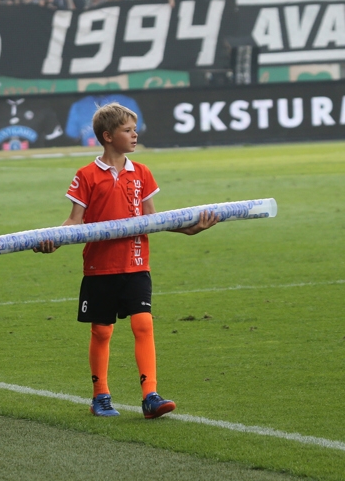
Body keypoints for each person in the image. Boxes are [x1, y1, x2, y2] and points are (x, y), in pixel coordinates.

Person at [35, 103, 218, 418]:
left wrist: (189, 229)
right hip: (100, 267)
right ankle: (101, 396)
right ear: (108, 136)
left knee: (143, 324)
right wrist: (53, 240)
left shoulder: (142, 172)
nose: (135, 135)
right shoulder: (86, 175)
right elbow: (74, 221)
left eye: (135, 129)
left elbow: (152, 219)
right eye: (127, 130)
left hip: (136, 262)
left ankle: (150, 396)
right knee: (102, 331)